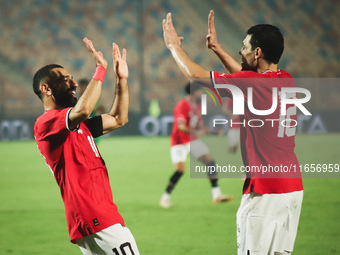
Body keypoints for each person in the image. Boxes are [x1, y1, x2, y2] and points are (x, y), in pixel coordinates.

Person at [162, 10, 303, 255]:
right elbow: (244, 76)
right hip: (293, 188)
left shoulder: (252, 84)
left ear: (257, 52)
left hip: (265, 190)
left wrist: (173, 46)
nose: (241, 50)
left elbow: (195, 75)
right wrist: (216, 48)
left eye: (244, 46)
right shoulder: (286, 79)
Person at [33, 37, 140, 255]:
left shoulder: (80, 126)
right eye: (65, 80)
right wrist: (100, 69)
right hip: (94, 217)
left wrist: (121, 80)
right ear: (46, 89)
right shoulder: (46, 123)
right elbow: (82, 110)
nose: (73, 84)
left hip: (102, 215)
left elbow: (119, 118)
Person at [159, 83, 233, 208]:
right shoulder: (182, 105)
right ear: (193, 92)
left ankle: (216, 195)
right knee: (180, 170)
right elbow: (181, 127)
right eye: (200, 91)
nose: (202, 94)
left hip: (191, 140)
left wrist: (214, 132)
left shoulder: (197, 106)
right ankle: (165, 198)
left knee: (210, 161)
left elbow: (200, 126)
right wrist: (196, 132)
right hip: (179, 142)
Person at [78, 78, 106, 144]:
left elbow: (100, 109)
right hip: (81, 129)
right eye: (80, 87)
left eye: (82, 87)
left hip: (91, 128)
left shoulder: (91, 99)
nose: (80, 89)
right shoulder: (77, 99)